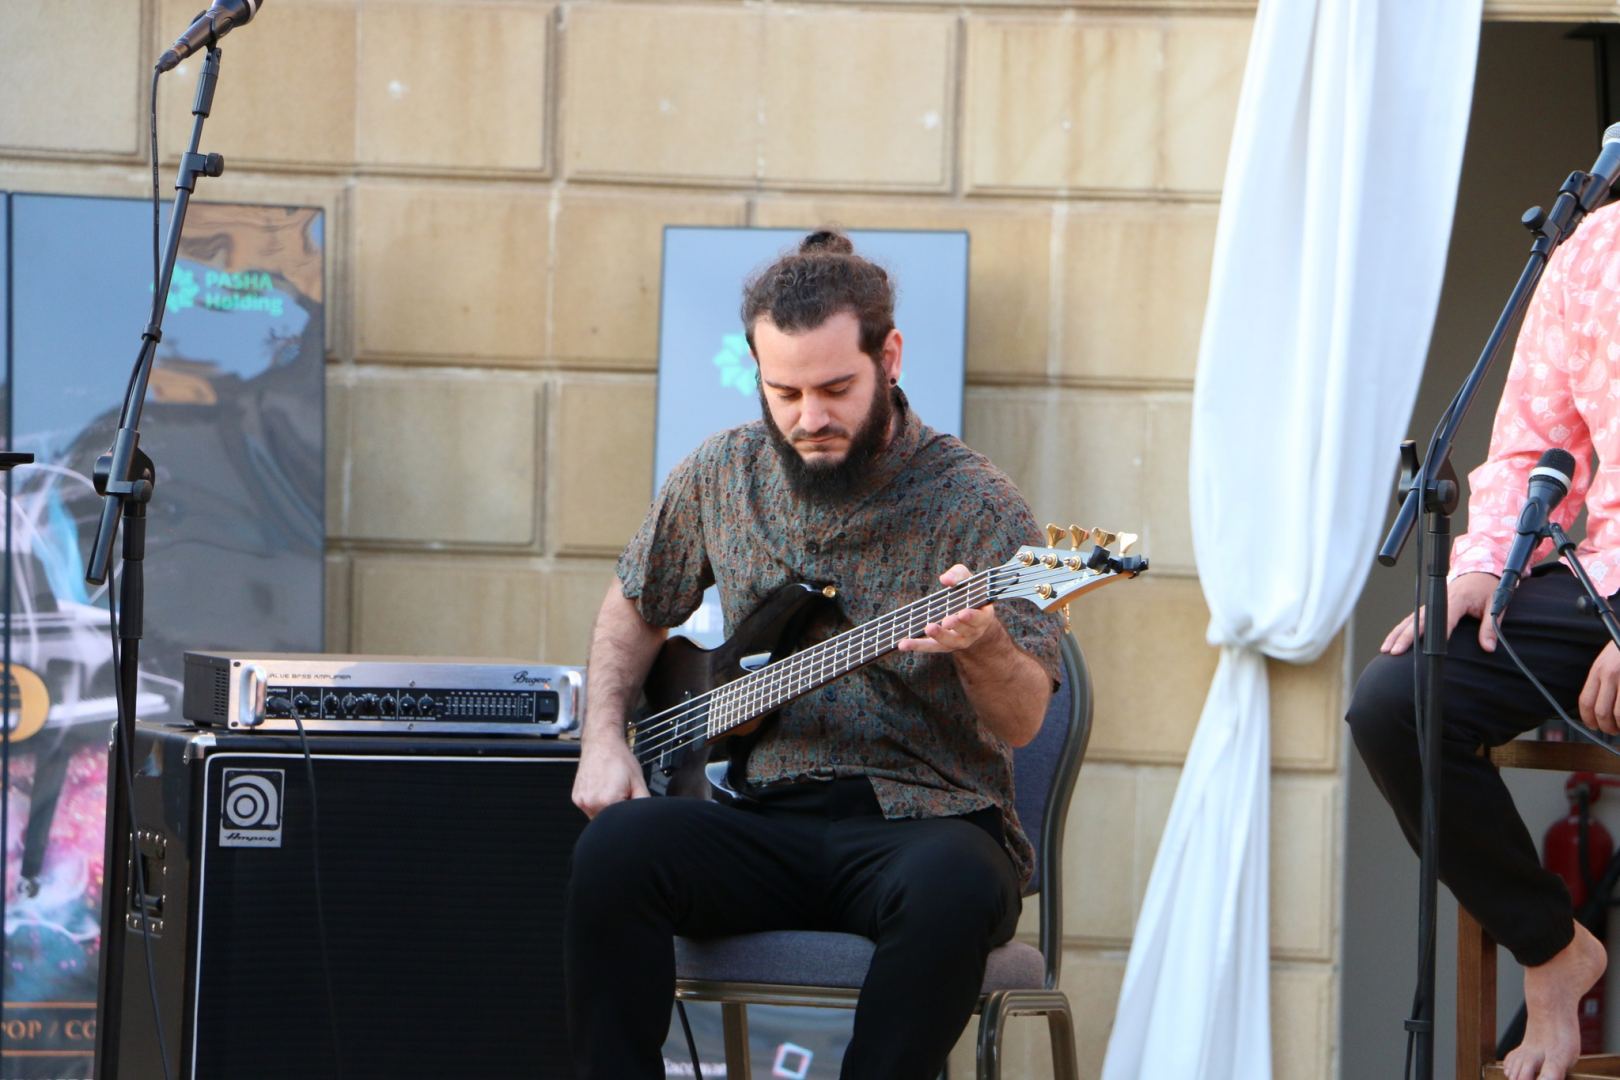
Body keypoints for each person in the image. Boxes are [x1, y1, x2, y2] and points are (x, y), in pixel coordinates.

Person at [563, 230, 1065, 1079]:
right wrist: (604, 737)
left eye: (836, 387)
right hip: (761, 819)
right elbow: (634, 605)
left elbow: (1020, 720)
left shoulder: (978, 504)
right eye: (783, 390)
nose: (810, 417)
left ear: (890, 355)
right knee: (616, 853)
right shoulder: (720, 473)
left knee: (953, 886)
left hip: (929, 822)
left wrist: (979, 643)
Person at [1347, 202, 1620, 1080]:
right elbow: (1534, 448)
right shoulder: (1592, 248)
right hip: (1603, 579)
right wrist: (1485, 566)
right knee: (1402, 697)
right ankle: (1549, 946)